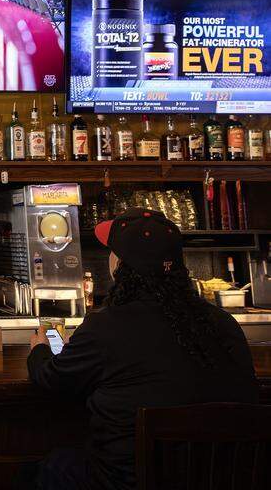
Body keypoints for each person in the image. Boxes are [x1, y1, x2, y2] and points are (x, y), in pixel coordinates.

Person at [26, 208, 257, 490]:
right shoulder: (224, 324)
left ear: (119, 264)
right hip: (222, 480)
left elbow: (51, 380)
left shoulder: (105, 326)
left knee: (46, 468)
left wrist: (39, 349)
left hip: (126, 482)